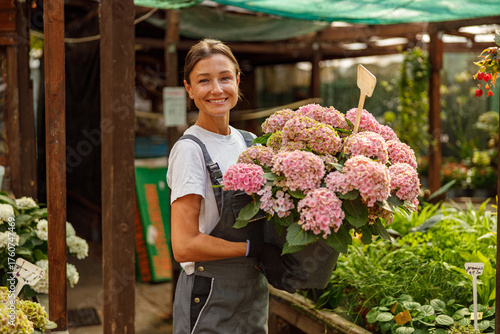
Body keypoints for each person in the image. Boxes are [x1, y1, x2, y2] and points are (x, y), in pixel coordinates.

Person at [166, 39, 300, 333]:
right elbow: (184, 245)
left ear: (237, 81)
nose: (216, 89)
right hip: (210, 294)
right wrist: (253, 249)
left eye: (225, 78)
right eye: (204, 81)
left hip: (253, 292)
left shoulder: (250, 143)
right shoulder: (191, 149)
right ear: (189, 89)